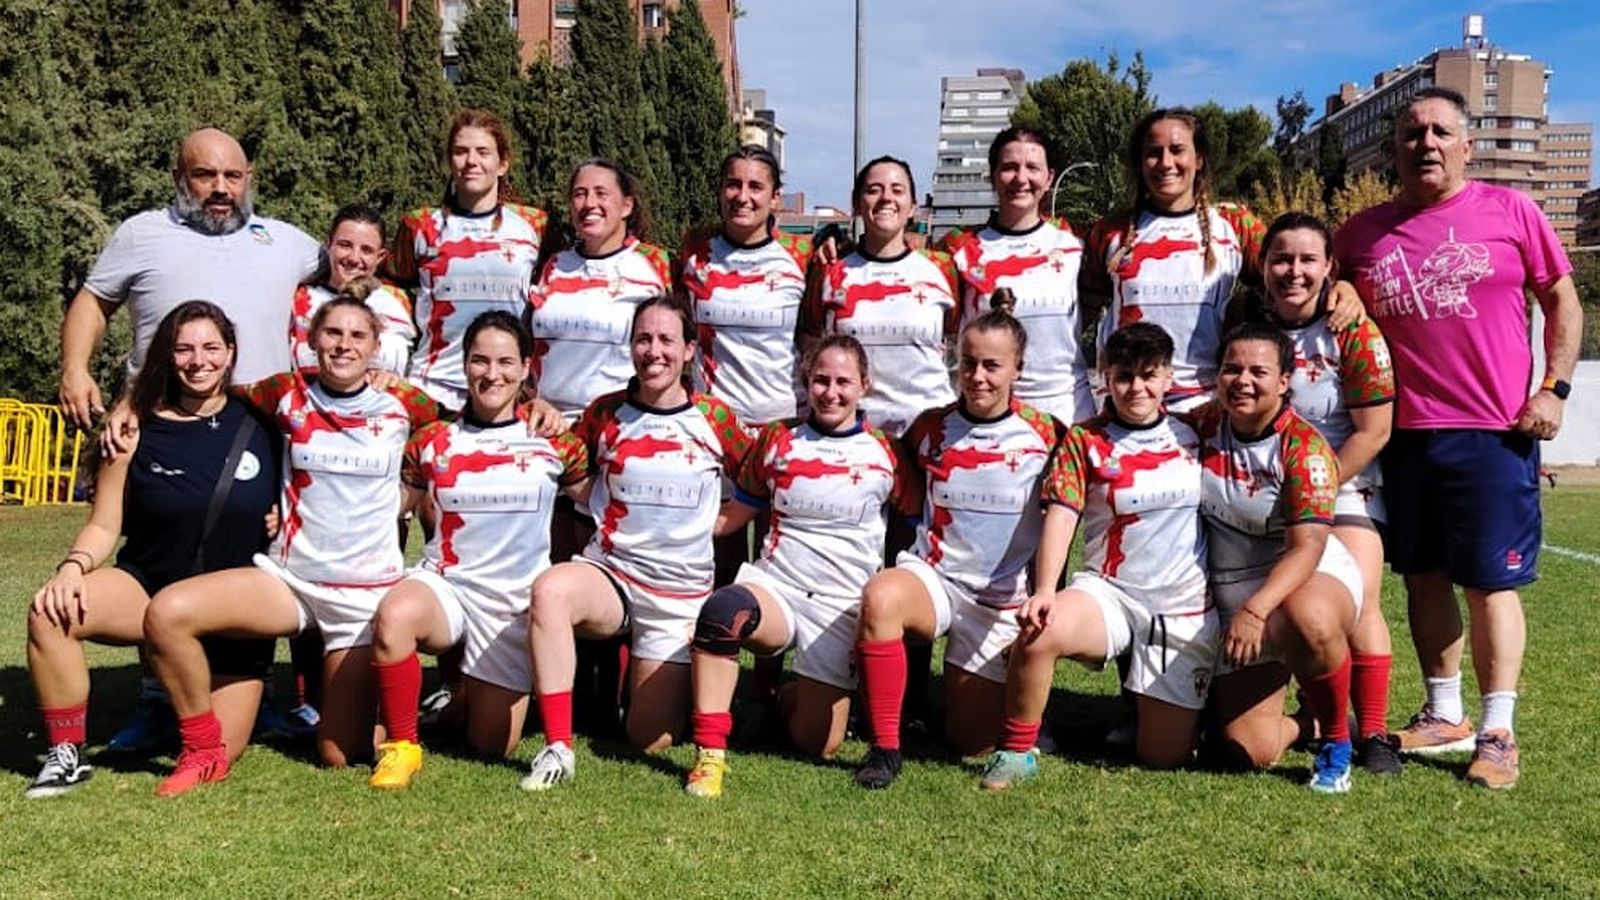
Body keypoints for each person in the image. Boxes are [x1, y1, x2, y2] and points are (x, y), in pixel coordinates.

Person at [1335, 87, 1583, 790]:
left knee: (1490, 582)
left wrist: (1554, 388)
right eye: (1413, 133)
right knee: (1423, 578)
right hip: (1401, 435)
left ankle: (1498, 729)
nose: (1427, 143)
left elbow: (1561, 299)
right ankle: (1445, 713)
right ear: (1395, 149)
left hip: (1492, 431)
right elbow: (1331, 295)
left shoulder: (1512, 212)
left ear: (1467, 145)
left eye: (1442, 131)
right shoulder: (1362, 232)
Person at [141, 296, 441, 796]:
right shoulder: (283, 392)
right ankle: (201, 748)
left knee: (337, 753)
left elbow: (467, 426)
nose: (343, 345)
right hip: (289, 579)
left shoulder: (408, 404)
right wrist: (134, 409)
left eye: (357, 336)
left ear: (376, 347)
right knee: (168, 611)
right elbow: (211, 386)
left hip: (363, 597)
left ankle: (408, 722)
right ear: (311, 340)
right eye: (332, 334)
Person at [23, 302, 280, 798]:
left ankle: (179, 708)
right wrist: (72, 568)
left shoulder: (265, 423)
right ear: (167, 354)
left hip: (235, 614)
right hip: (147, 586)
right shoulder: (134, 427)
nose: (197, 360)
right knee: (48, 613)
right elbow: (104, 523)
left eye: (210, 347)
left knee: (222, 749)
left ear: (230, 354)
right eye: (183, 348)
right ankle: (66, 754)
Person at [521, 297, 750, 791]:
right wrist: (536, 408)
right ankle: (558, 746)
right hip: (614, 575)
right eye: (643, 339)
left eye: (667, 340)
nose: (653, 351)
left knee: (647, 737)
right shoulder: (606, 412)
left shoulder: (714, 417)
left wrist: (720, 523)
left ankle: (683, 683)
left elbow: (759, 479)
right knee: (550, 592)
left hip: (677, 595)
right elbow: (572, 465)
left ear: (689, 350)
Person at [978, 322, 1215, 790]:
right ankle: (1018, 750)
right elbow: (1062, 514)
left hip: (1181, 603)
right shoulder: (1085, 440)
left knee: (1160, 756)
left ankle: (1183, 713)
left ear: (1169, 377)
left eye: (1149, 375)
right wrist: (1046, 589)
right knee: (1040, 630)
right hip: (1110, 592)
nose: (1136, 387)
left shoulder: (1198, 430)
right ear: (1105, 376)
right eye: (1124, 375)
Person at [681, 335, 918, 798]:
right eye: (820, 380)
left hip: (840, 604)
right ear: (806, 383)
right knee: (722, 613)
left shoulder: (886, 452)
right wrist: (671, 531)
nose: (831, 392)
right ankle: (710, 756)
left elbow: (915, 526)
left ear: (864, 385)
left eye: (843, 382)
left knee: (817, 743)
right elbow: (736, 514)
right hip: (778, 588)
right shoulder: (778, 438)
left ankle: (789, 698)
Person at [366, 312, 589, 790]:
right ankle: (403, 747)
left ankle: (462, 692)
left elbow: (601, 500)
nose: (493, 374)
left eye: (506, 362)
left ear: (527, 368)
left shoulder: (555, 442)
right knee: (396, 615)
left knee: (489, 745)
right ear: (464, 366)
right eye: (480, 361)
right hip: (446, 584)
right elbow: (391, 506)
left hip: (511, 603)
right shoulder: (431, 441)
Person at [851, 295, 1060, 790]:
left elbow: (1067, 515)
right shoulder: (930, 427)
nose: (978, 377)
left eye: (992, 366)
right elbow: (894, 481)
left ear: (1018, 368)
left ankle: (1011, 705)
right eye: (968, 363)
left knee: (969, 742)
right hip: (936, 580)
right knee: (881, 596)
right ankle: (885, 747)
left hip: (997, 602)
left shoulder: (1047, 435)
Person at [1082, 109, 1364, 414]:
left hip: (1208, 408)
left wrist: (1344, 288)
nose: (1165, 163)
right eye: (1153, 153)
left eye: (1177, 150)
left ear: (1199, 158)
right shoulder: (1111, 233)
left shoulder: (1234, 225)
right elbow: (1081, 307)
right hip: (1132, 403)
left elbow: (1290, 275)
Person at [1249, 212, 1400, 775]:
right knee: (1291, 610)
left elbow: (1374, 430)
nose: (1294, 271)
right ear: (1263, 267)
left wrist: (1315, 488)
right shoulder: (1249, 324)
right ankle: (1315, 715)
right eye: (1281, 259)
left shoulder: (1352, 329)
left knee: (1360, 599)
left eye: (1308, 259)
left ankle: (1377, 731)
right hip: (1259, 492)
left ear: (1330, 267)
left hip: (1341, 486)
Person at [60, 127, 323, 427]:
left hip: (257, 430)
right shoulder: (142, 233)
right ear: (178, 178)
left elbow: (361, 277)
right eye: (205, 175)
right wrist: (74, 370)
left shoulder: (287, 241)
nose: (221, 188)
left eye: (232, 176)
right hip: (158, 422)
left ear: (248, 178)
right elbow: (92, 302)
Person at [1197, 323, 1362, 794]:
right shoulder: (1202, 424)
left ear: (1286, 380)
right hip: (1233, 592)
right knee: (1249, 748)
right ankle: (1307, 725)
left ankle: (1335, 745)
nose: (1242, 381)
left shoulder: (1305, 448)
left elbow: (1307, 546)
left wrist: (1255, 609)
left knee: (1305, 618)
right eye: (1231, 369)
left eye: (1258, 371)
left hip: (1300, 578)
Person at [679, 145, 814, 590]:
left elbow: (813, 334)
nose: (743, 196)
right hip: (716, 427)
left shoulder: (802, 255)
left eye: (756, 186)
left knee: (777, 558)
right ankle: (719, 655)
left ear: (776, 197)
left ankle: (773, 658)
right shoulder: (695, 251)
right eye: (733, 184)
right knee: (722, 557)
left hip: (782, 425)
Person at [390, 108, 547, 411]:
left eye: (483, 152)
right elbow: (388, 283)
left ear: (502, 163)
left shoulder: (535, 225)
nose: (471, 161)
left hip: (505, 389)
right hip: (433, 387)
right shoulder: (421, 225)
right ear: (450, 161)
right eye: (461, 151)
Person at [939, 127, 1093, 424]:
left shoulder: (1077, 246)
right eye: (1009, 167)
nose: (1021, 179)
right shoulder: (959, 250)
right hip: (989, 416)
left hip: (1068, 414)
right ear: (993, 177)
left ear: (1049, 178)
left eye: (1032, 168)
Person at [803, 155, 958, 440]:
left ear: (913, 206)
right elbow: (809, 341)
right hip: (854, 436)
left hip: (929, 433)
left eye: (897, 190)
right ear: (857, 203)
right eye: (874, 189)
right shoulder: (829, 269)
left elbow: (960, 337)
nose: (886, 198)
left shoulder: (942, 268)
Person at [290, 204, 416, 374]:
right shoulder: (298, 299)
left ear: (380, 257)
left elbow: (393, 365)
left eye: (366, 250)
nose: (354, 258)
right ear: (328, 244)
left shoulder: (390, 304)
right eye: (345, 245)